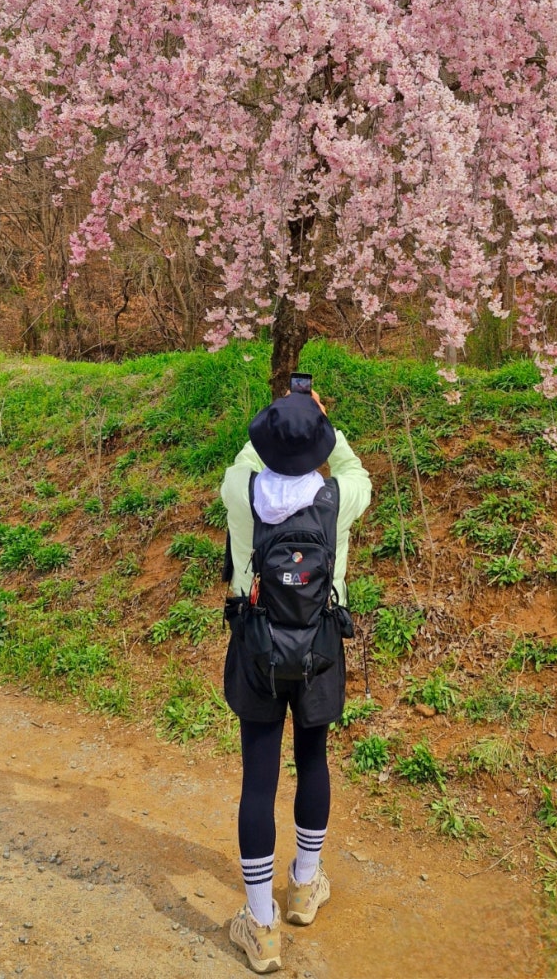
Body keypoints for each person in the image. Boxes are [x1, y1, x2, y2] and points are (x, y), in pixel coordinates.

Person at [221, 387, 371, 974]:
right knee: (313, 761)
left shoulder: (241, 489)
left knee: (258, 778)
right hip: (320, 647)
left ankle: (261, 925)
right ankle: (305, 887)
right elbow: (355, 465)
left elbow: (247, 457)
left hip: (256, 646)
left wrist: (284, 417)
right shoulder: (341, 495)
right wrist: (320, 419)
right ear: (321, 446)